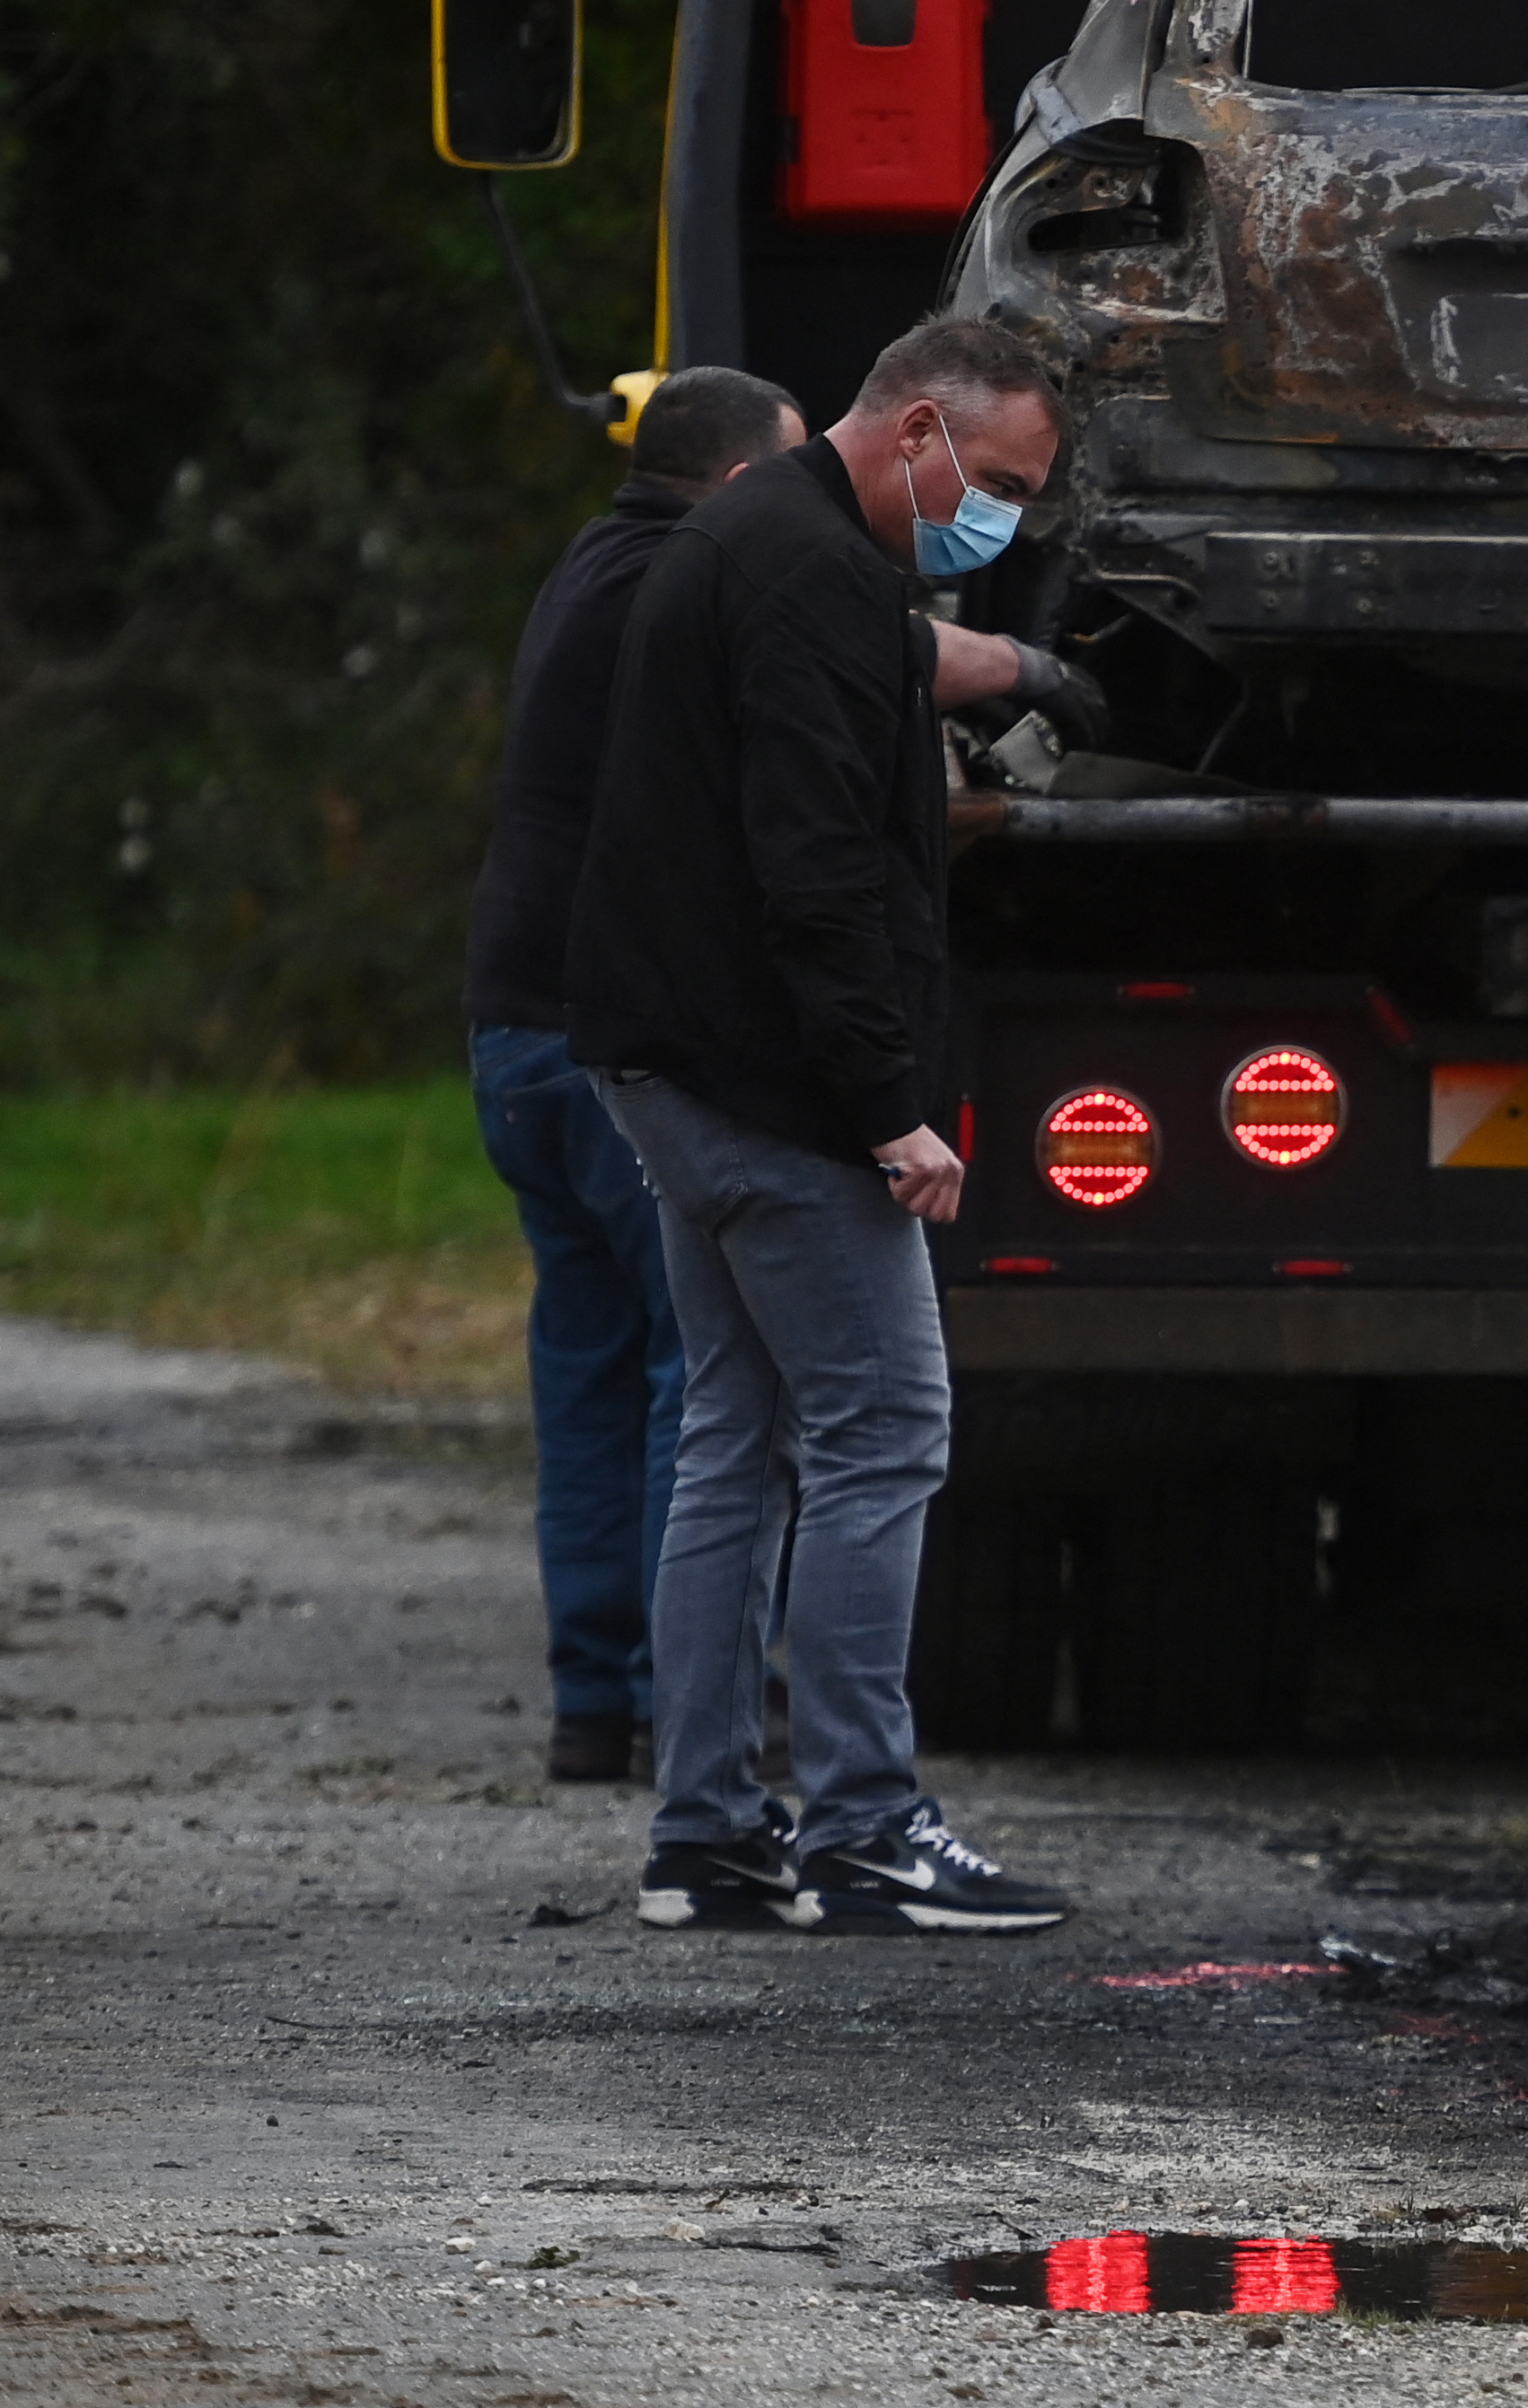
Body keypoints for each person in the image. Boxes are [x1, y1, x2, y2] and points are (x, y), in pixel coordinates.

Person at [570, 317, 1079, 1936]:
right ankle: (866, 1823)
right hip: (774, 1087)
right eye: (991, 480)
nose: (992, 515)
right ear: (917, 427)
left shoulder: (753, 537)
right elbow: (815, 874)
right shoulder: (809, 577)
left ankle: (706, 1833)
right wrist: (889, 1111)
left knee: (737, 1439)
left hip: (679, 1067)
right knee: (883, 1433)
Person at [466, 364, 808, 1784]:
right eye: (791, 478)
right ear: (737, 486)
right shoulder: (693, 584)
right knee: (705, 1381)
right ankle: (701, 1710)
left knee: (593, 1376)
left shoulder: (592, 564)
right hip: (611, 1046)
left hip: (514, 1035)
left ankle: (592, 1706)